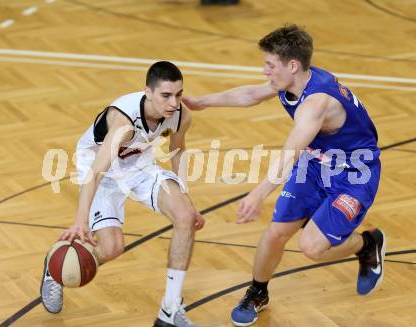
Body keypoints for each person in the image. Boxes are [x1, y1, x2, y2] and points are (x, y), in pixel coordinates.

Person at [183, 24, 385, 326]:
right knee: (277, 232)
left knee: (312, 248)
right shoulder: (295, 80)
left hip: (354, 173)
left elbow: (289, 154)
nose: (265, 71)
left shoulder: (316, 103)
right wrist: (204, 102)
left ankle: (367, 245)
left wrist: (257, 193)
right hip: (317, 164)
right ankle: (258, 291)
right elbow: (251, 94)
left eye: (269, 64)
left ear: (292, 65)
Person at [40, 61, 205, 327]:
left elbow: (179, 150)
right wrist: (80, 222)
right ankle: (57, 266)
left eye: (178, 94)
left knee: (185, 216)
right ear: (147, 92)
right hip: (100, 170)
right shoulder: (124, 122)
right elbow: (95, 173)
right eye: (166, 95)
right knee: (112, 247)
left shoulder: (180, 115)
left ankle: (170, 311)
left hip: (139, 165)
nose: (174, 102)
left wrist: (187, 198)